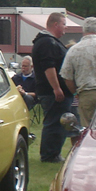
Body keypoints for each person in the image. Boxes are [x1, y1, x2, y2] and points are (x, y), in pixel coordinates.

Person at [32, 12, 72, 163]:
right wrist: (56, 88)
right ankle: (50, 155)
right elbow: (49, 67)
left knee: (56, 121)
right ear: (55, 24)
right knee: (55, 122)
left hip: (52, 91)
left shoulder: (48, 42)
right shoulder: (48, 42)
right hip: (52, 93)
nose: (65, 29)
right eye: (64, 24)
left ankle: (53, 153)